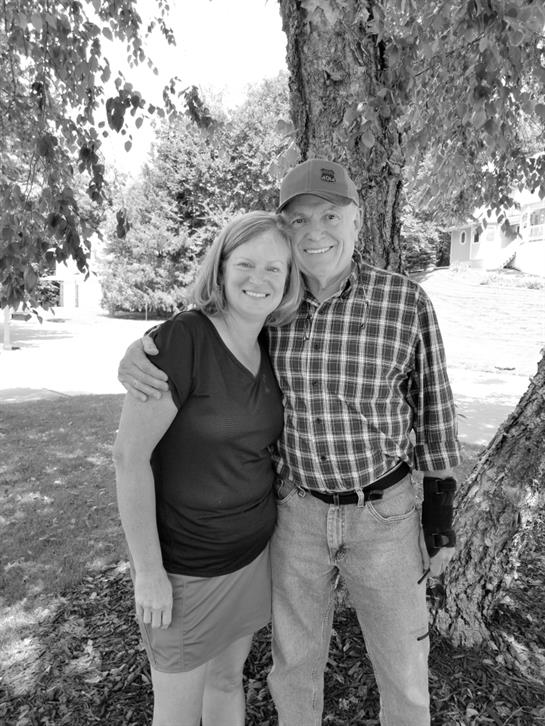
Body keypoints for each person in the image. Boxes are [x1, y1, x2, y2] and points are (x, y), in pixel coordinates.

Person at [118, 159, 461, 726]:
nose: (315, 231)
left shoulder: (405, 303)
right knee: (293, 666)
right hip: (296, 512)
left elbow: (435, 408)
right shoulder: (275, 305)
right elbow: (206, 329)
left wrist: (440, 513)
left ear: (358, 220)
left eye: (330, 215)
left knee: (404, 668)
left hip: (384, 516)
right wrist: (143, 349)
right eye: (299, 220)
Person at [113, 211, 303, 726]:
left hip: (250, 559)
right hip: (184, 571)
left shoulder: (269, 343)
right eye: (245, 264)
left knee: (226, 681)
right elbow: (129, 458)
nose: (259, 279)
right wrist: (148, 572)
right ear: (220, 268)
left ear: (289, 279)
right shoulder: (183, 340)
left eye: (274, 268)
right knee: (176, 715)